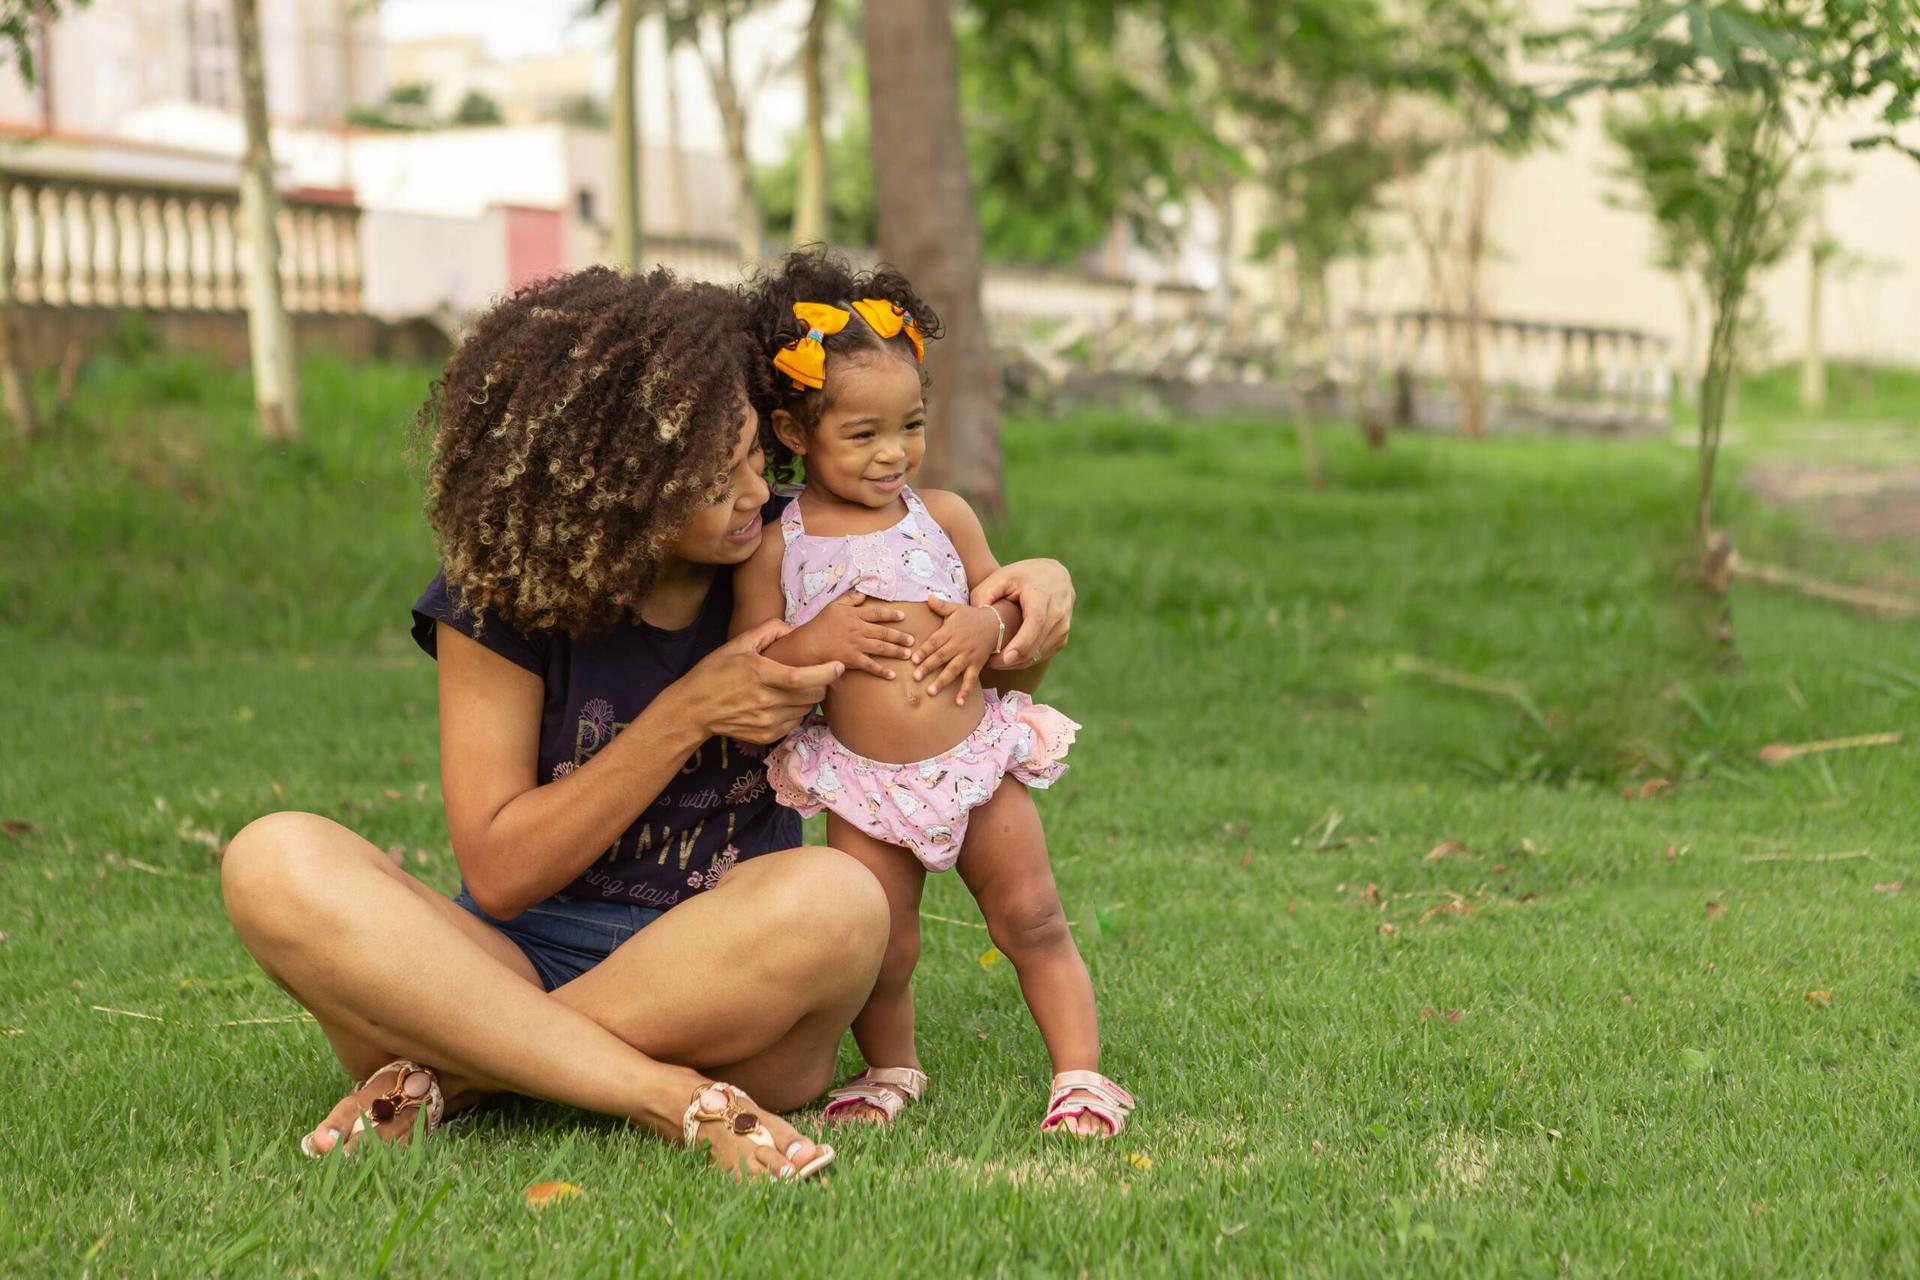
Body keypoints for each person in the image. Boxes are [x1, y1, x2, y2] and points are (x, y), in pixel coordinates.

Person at [218, 265, 1079, 1180]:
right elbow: (501, 872)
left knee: (842, 898)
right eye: (719, 481)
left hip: (722, 970)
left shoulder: (800, 551)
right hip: (507, 958)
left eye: (756, 454)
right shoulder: (504, 602)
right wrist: (687, 712)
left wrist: (1038, 597)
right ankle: (662, 1094)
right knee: (274, 859)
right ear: (617, 491)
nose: (758, 492)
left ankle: (461, 1071)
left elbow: (954, 681)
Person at [732, 251, 1133, 1137]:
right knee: (885, 947)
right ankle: (890, 1069)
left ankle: (1081, 1078)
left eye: (909, 426)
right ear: (796, 432)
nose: (893, 453)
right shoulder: (779, 544)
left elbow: (1001, 609)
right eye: (863, 433)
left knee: (1031, 917)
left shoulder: (942, 515)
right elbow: (753, 662)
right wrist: (818, 639)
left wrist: (987, 629)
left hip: (975, 761)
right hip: (863, 782)